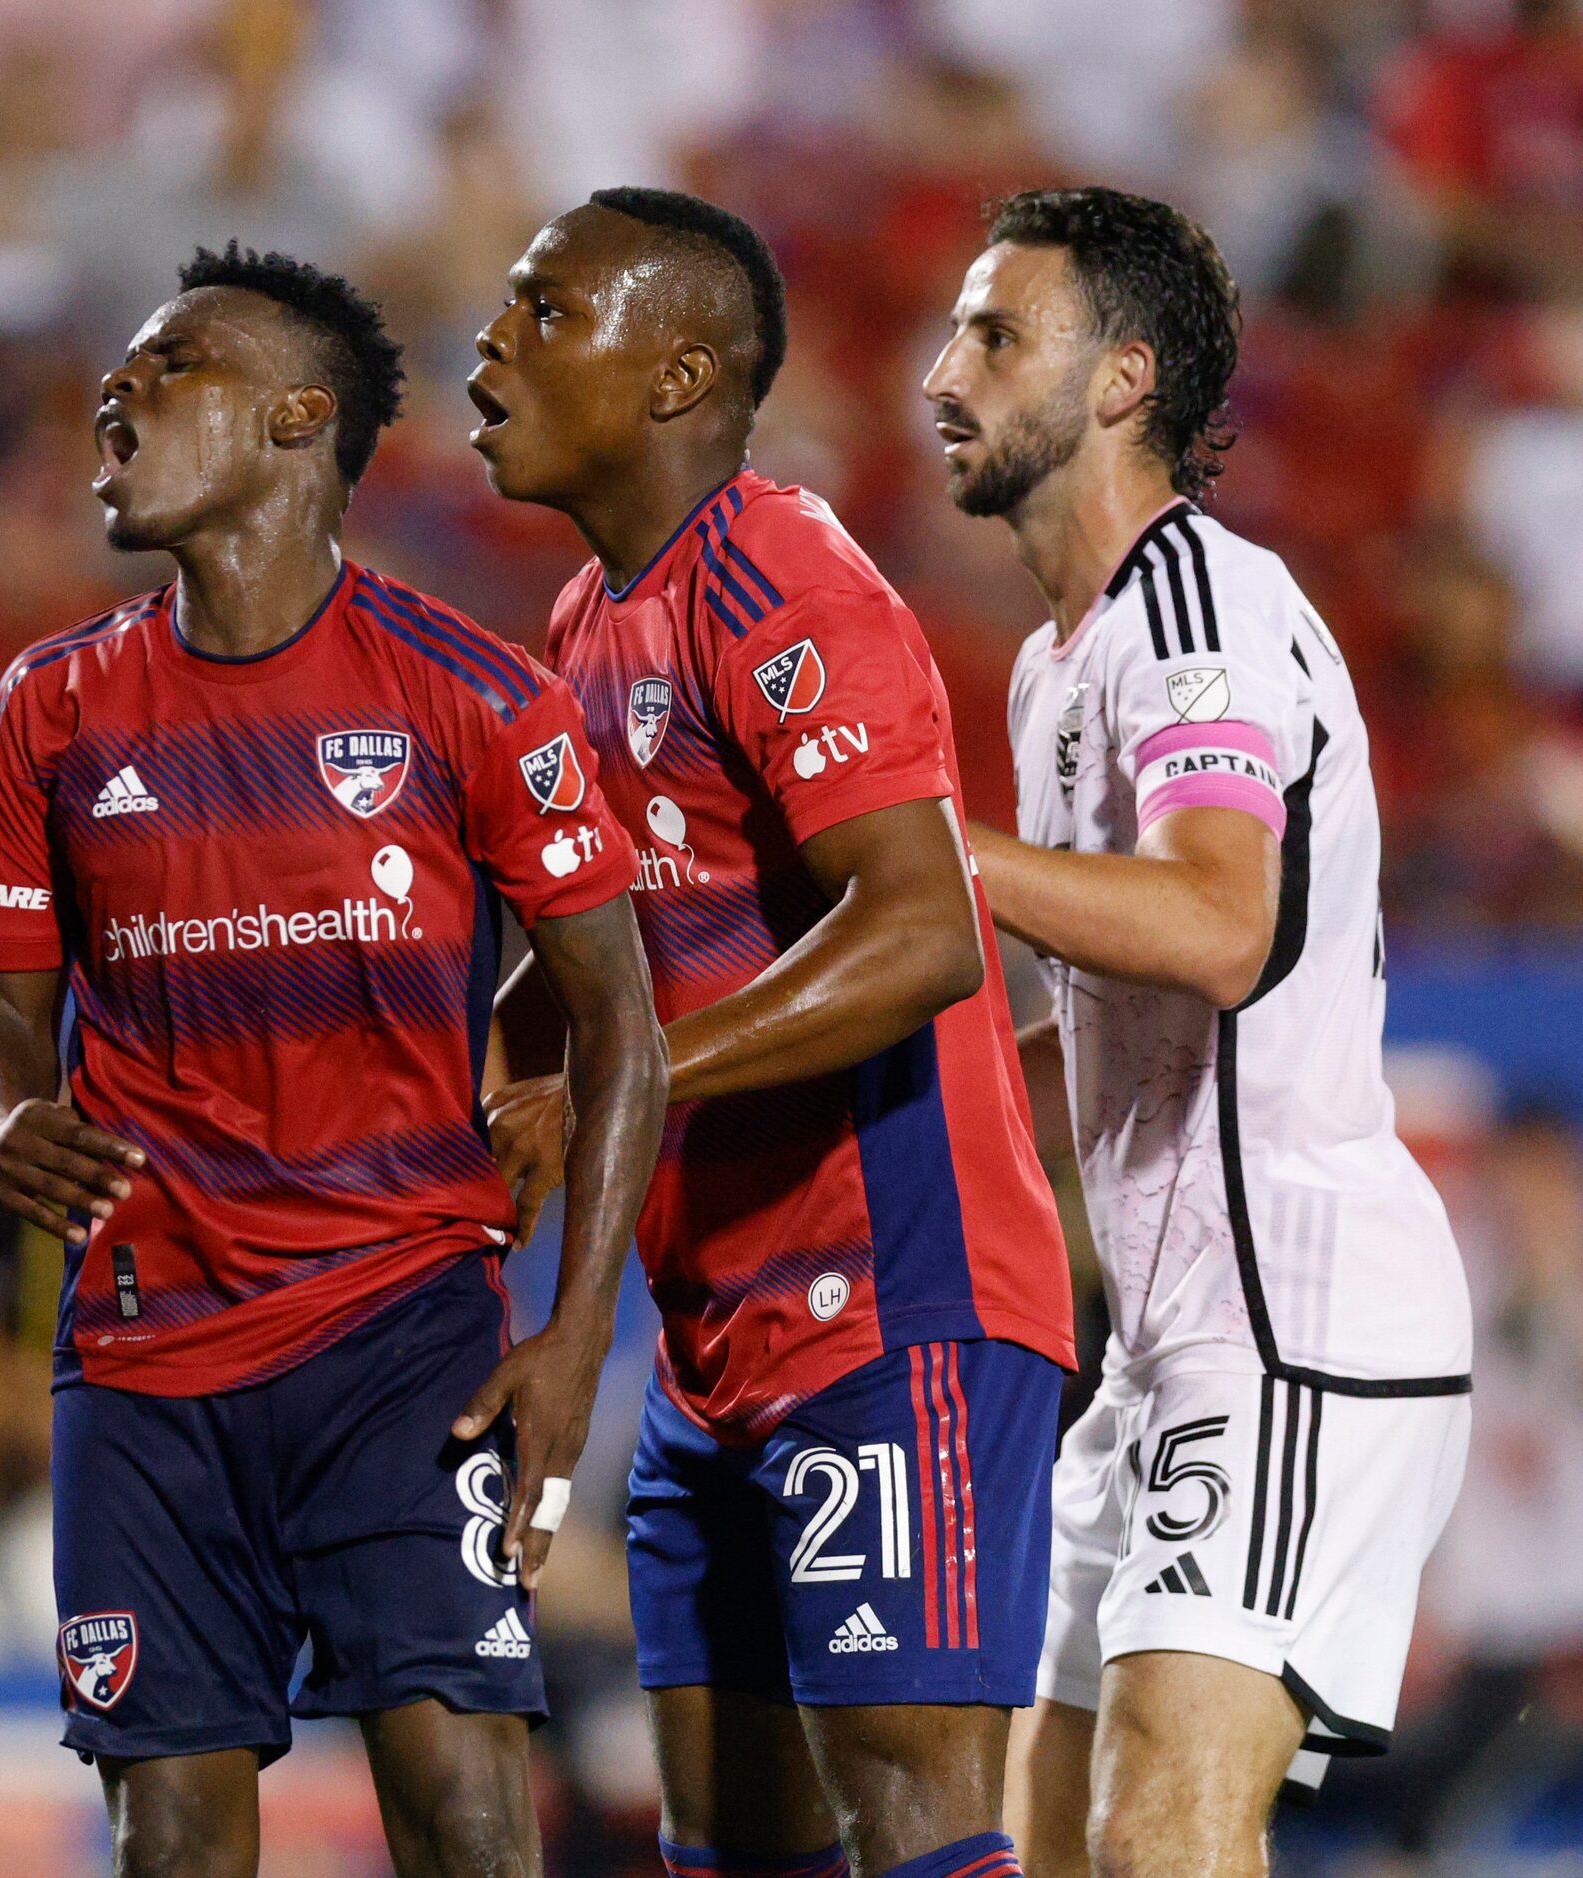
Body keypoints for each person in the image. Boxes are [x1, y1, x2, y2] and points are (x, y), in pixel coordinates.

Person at [0, 242, 666, 1878]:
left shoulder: (475, 695)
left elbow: (623, 1017)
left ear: (295, 418)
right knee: (175, 1843)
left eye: (168, 365)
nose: (117, 394)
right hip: (143, 1352)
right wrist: (1, 1115)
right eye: (119, 373)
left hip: (400, 1335)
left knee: (469, 1814)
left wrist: (574, 1332)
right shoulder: (47, 711)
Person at [472, 189, 1076, 1878]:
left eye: (544, 308)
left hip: (898, 1298)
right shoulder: (589, 629)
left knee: (916, 1836)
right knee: (727, 1850)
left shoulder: (777, 574)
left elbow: (921, 930)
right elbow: (579, 983)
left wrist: (626, 1079)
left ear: (676, 376)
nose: (490, 342)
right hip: (712, 1341)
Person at [924, 185, 1475, 1878]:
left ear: (1120, 380)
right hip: (1161, 1351)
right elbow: (1080, 1016)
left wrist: (919, 847)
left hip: (1292, 1311)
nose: (945, 371)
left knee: (1166, 1828)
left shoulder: (1197, 609)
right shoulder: (1052, 665)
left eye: (997, 333)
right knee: (1059, 1846)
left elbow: (1219, 925)